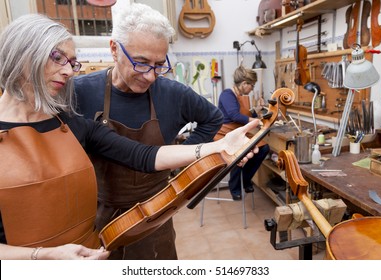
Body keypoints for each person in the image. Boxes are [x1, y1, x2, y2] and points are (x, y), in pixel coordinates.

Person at [0, 14, 258, 260]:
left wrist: (217, 148)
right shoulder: (75, 97)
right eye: (57, 58)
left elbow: (142, 155)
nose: (68, 71)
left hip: (112, 234)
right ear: (21, 55)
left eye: (72, 62)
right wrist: (42, 257)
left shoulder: (72, 124)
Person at [73, 3, 223, 260]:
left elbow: (213, 118)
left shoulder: (173, 93)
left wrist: (178, 159)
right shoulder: (80, 92)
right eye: (141, 63)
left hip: (155, 214)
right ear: (114, 49)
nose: (151, 76)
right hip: (99, 216)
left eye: (159, 64)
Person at [218, 66, 270, 201]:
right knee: (240, 152)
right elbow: (234, 115)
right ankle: (234, 186)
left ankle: (245, 179)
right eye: (251, 85)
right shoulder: (227, 94)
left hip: (238, 131)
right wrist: (256, 120)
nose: (252, 89)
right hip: (226, 133)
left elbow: (244, 114)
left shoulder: (240, 96)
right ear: (244, 84)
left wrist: (256, 110)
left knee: (263, 148)